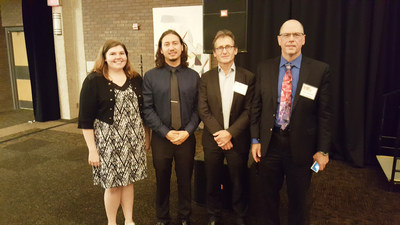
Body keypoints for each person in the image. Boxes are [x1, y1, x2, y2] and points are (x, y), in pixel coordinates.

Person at [250, 19, 332, 225]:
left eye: (296, 35)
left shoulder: (319, 70)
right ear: (279, 40)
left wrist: (323, 150)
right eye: (286, 35)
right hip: (270, 144)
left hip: (302, 148)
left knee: (299, 200)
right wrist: (254, 139)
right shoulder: (264, 68)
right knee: (267, 197)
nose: (291, 39)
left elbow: (325, 115)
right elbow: (256, 108)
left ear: (303, 40)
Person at [78, 39, 149, 225]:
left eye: (121, 53)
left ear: (126, 56)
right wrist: (92, 149)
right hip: (108, 142)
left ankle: (129, 220)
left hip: (133, 139)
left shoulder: (135, 78)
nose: (118, 57)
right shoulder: (93, 80)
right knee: (113, 185)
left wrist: (146, 137)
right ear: (105, 57)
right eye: (113, 54)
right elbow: (85, 120)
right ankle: (111, 222)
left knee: (128, 182)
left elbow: (143, 112)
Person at [142, 29, 200, 225]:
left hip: (186, 137)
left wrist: (187, 131)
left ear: (182, 47)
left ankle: (185, 217)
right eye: (166, 44)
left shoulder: (193, 76)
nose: (171, 47)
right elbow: (147, 110)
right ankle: (162, 217)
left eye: (175, 43)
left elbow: (198, 109)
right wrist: (166, 132)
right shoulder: (150, 77)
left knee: (185, 180)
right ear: (160, 49)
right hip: (161, 138)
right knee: (162, 179)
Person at [198, 30, 255, 225]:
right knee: (212, 180)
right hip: (213, 140)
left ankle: (240, 215)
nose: (224, 51)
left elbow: (249, 111)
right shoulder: (206, 78)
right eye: (220, 48)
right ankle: (213, 215)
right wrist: (220, 134)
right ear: (214, 53)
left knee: (238, 180)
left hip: (237, 139)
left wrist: (229, 134)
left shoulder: (248, 77)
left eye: (228, 46)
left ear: (235, 50)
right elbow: (203, 109)